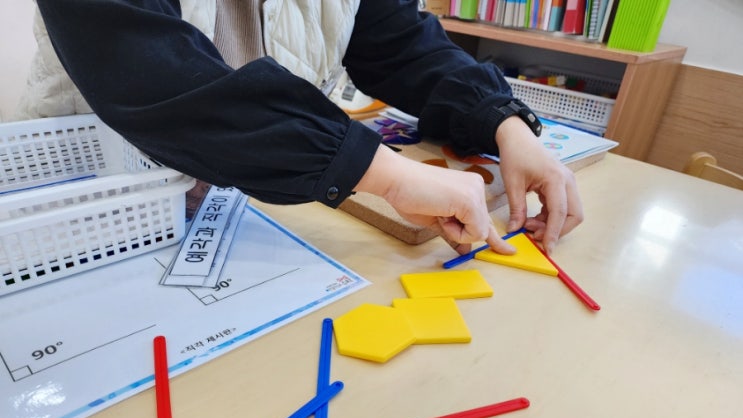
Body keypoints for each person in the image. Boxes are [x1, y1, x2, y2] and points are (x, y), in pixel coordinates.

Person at [27, 0, 582, 255]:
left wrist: (505, 122)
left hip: (260, 204)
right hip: (91, 216)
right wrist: (385, 174)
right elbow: (156, 75)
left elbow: (402, 44)